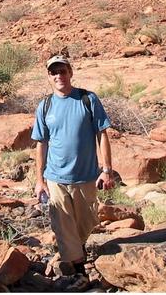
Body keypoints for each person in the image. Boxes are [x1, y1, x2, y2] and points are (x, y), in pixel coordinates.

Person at [31, 55, 113, 277]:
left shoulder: (88, 99)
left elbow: (102, 135)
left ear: (70, 72)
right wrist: (40, 181)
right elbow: (41, 143)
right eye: (54, 72)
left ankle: (76, 249)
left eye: (63, 71)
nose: (59, 76)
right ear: (49, 77)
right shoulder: (45, 105)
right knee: (62, 224)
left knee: (86, 222)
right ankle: (78, 271)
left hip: (85, 176)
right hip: (56, 177)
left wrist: (106, 170)